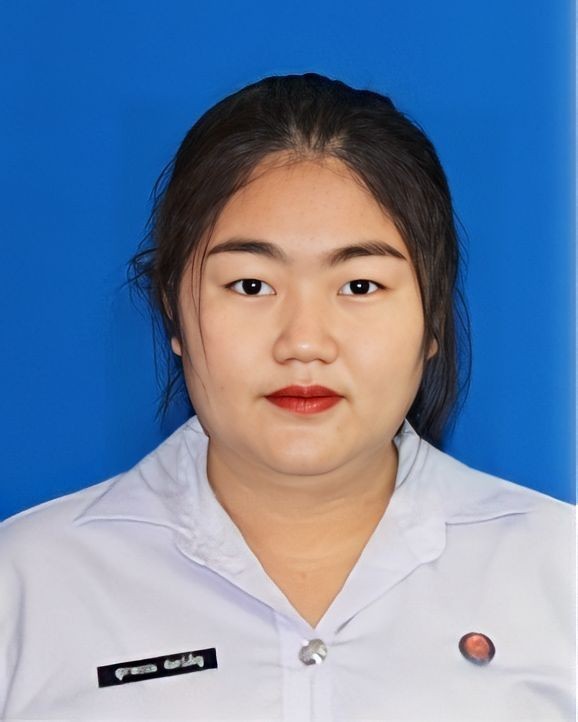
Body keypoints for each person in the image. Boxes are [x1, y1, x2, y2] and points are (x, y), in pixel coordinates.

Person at [0, 73, 574, 721]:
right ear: (173, 313)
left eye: (360, 286)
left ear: (432, 320)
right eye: (251, 286)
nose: (304, 343)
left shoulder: (558, 574)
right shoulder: (26, 589)